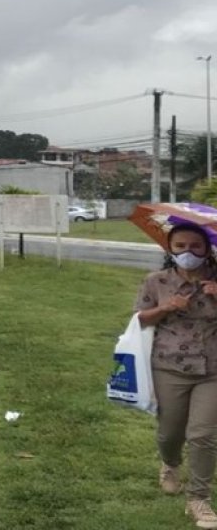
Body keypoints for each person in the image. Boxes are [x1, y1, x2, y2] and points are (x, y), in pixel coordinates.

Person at [136, 223, 217, 527]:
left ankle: (199, 499)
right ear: (169, 249)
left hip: (212, 370)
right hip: (169, 367)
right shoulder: (156, 281)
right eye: (180, 246)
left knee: (203, 435)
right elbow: (139, 319)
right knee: (170, 433)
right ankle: (170, 463)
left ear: (207, 248)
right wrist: (166, 307)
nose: (187, 253)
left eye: (195, 246)